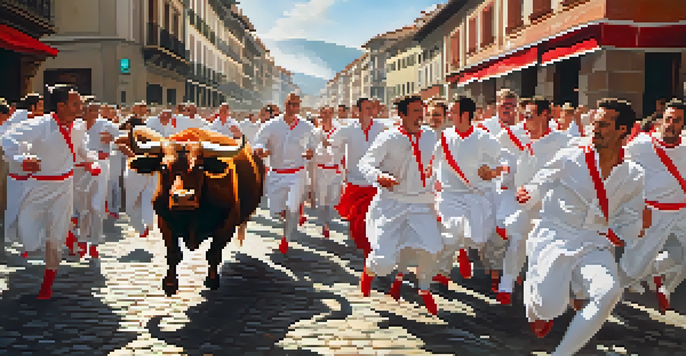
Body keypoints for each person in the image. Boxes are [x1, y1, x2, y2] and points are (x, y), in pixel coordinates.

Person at [521, 98, 645, 355]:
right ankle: (536, 291)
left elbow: (630, 218)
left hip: (594, 241)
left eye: (602, 124)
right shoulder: (571, 156)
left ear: (623, 129)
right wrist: (529, 192)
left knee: (609, 292)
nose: (594, 129)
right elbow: (541, 181)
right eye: (593, 123)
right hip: (555, 236)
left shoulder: (633, 174)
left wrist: (631, 229)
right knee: (547, 308)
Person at [2, 84, 100, 299]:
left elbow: (83, 149)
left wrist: (92, 162)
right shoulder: (39, 125)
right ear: (61, 105)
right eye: (76, 103)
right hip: (37, 186)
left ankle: (48, 283)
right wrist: (22, 159)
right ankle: (63, 234)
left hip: (64, 188)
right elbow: (7, 139)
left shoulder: (79, 127)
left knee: (54, 240)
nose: (81, 107)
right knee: (27, 237)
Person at [358, 95, 442, 315]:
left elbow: (438, 163)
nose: (420, 116)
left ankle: (424, 288)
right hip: (392, 203)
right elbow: (365, 163)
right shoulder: (389, 137)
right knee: (384, 264)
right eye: (415, 111)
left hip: (422, 203)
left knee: (433, 248)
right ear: (402, 114)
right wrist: (379, 176)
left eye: (421, 111)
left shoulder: (430, 136)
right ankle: (369, 270)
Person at [496, 97, 573, 305]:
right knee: (518, 242)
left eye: (529, 115)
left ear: (545, 114)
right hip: (522, 201)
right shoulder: (512, 135)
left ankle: (544, 292)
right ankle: (506, 285)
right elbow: (494, 155)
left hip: (550, 205)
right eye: (523, 115)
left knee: (545, 249)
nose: (524, 120)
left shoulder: (563, 141)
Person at [620, 99, 686, 313]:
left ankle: (657, 271)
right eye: (668, 119)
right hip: (651, 213)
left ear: (683, 125)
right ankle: (609, 297)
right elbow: (617, 164)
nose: (671, 124)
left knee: (682, 255)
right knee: (633, 268)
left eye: (677, 121)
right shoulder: (642, 145)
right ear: (661, 120)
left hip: (681, 211)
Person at [432, 97, 504, 287]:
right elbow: (433, 162)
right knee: (450, 232)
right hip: (450, 194)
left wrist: (493, 173)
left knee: (476, 239)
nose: (449, 115)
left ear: (464, 115)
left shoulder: (483, 137)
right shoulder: (445, 136)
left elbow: (504, 159)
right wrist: (433, 182)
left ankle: (463, 251)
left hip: (476, 194)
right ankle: (443, 272)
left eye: (453, 111)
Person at [252, 93, 316, 253]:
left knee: (292, 207)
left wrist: (311, 151)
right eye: (290, 104)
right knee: (274, 209)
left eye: (296, 105)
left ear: (299, 106)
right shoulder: (271, 125)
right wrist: (262, 150)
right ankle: (284, 214)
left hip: (297, 173)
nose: (293, 108)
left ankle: (285, 239)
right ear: (284, 104)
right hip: (276, 173)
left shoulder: (307, 127)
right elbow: (259, 141)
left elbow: (314, 144)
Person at [329, 98, 387, 259]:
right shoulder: (348, 129)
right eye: (367, 108)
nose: (370, 111)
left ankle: (370, 244)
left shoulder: (381, 127)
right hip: (354, 179)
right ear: (358, 111)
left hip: (374, 179)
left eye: (372, 108)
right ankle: (357, 237)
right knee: (354, 214)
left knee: (371, 214)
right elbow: (332, 142)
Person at [71, 101, 117, 258]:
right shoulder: (76, 127)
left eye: (97, 110)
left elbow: (122, 137)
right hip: (78, 169)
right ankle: (82, 239)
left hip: (99, 167)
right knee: (83, 208)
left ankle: (95, 244)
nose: (95, 113)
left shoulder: (105, 124)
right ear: (83, 111)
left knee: (96, 206)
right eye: (91, 110)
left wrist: (112, 139)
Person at [120, 102, 155, 237]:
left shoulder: (127, 137)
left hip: (135, 171)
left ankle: (142, 227)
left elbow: (119, 144)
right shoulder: (150, 137)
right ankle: (146, 224)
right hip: (147, 171)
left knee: (131, 204)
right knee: (146, 198)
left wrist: (133, 156)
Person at [313, 106, 343, 238]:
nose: (326, 116)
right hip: (320, 170)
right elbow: (311, 151)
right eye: (324, 113)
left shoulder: (339, 132)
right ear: (320, 115)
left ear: (332, 114)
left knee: (333, 199)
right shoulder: (315, 133)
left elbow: (344, 150)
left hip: (335, 170)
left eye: (329, 113)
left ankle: (329, 220)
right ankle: (324, 223)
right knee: (322, 199)